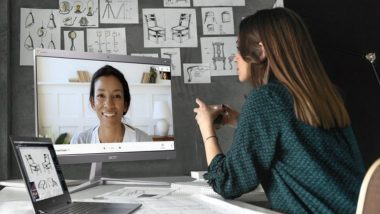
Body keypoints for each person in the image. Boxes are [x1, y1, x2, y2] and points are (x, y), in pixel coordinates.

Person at [193, 8, 365, 214]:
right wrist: (241, 121)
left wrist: (206, 127)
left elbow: (228, 182)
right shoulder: (327, 96)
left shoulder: (267, 100)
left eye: (240, 48)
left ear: (261, 50)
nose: (235, 57)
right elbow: (298, 139)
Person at [71, 65, 152, 144]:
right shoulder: (79, 142)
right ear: (93, 103)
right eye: (101, 95)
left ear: (125, 105)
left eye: (117, 96)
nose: (109, 105)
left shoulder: (144, 141)